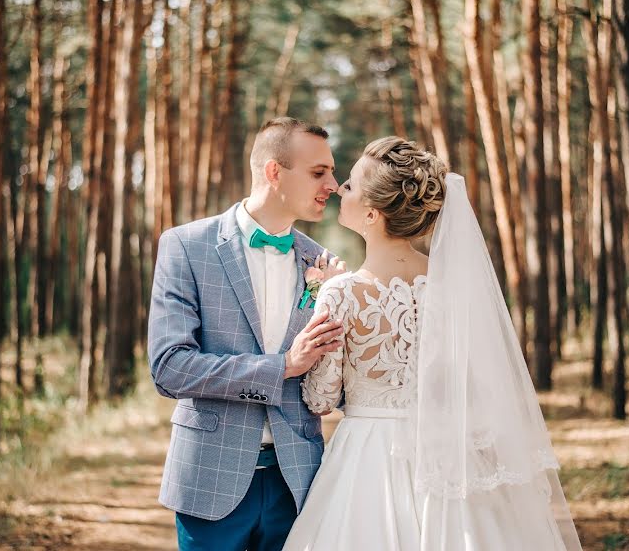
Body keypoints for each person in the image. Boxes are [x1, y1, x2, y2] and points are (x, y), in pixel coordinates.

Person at [283, 136, 582, 550]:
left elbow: (320, 397)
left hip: (368, 459)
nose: (338, 190)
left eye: (349, 185)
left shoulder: (341, 294)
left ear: (371, 214)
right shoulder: (454, 285)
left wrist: (318, 295)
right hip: (449, 456)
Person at [148, 117, 347, 551]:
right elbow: (169, 368)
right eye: (319, 172)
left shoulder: (324, 263)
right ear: (274, 172)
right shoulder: (186, 246)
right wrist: (281, 369)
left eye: (331, 172)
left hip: (297, 481)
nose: (333, 184)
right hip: (210, 476)